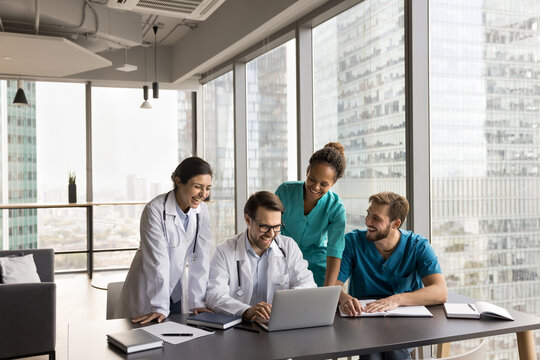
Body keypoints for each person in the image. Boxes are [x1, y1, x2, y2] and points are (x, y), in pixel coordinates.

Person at [338, 191, 447, 360]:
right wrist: (343, 298)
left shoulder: (418, 246)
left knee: (396, 350)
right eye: (368, 214)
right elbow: (332, 286)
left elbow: (440, 292)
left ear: (395, 224)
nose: (367, 222)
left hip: (405, 319)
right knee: (371, 354)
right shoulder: (352, 242)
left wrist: (395, 300)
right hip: (364, 319)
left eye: (376, 219)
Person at [115, 157, 214, 324]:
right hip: (150, 289)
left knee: (178, 339)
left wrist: (197, 302)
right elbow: (157, 261)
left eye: (207, 188)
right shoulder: (154, 210)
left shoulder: (201, 212)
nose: (203, 194)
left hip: (177, 288)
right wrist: (159, 306)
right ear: (178, 181)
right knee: (148, 340)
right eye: (197, 187)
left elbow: (201, 258)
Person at [206, 191, 316, 320]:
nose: (271, 234)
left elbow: (308, 284)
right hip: (240, 326)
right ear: (248, 220)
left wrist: (287, 301)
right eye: (264, 227)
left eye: (276, 227)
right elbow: (214, 295)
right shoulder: (225, 251)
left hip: (279, 323)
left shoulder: (288, 247)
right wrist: (246, 310)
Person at [275, 142, 347, 287]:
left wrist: (327, 292)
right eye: (312, 179)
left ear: (333, 183)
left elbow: (335, 252)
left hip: (316, 267)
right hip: (282, 260)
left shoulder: (336, 208)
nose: (315, 187)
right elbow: (272, 229)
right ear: (308, 171)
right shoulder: (285, 192)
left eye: (324, 184)